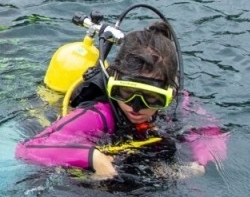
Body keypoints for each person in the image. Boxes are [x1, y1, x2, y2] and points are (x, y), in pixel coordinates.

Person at [16, 17, 227, 181]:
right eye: (126, 93)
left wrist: (202, 161)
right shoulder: (98, 114)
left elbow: (210, 132)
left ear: (170, 93)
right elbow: (27, 149)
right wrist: (92, 157)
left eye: (152, 98)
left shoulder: (177, 104)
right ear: (113, 81)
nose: (136, 106)